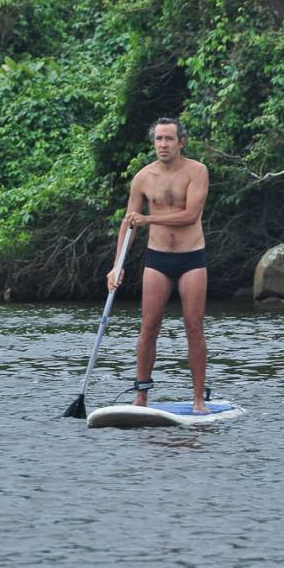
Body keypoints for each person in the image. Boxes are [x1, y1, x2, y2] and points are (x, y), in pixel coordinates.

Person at [107, 117, 210, 412]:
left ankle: (198, 398)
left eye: (168, 139)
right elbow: (129, 224)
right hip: (157, 258)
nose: (163, 145)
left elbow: (191, 215)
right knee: (149, 326)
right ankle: (141, 396)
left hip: (192, 257)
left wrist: (149, 219)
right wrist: (117, 265)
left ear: (181, 142)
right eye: (158, 139)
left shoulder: (197, 171)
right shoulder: (142, 177)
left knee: (193, 326)